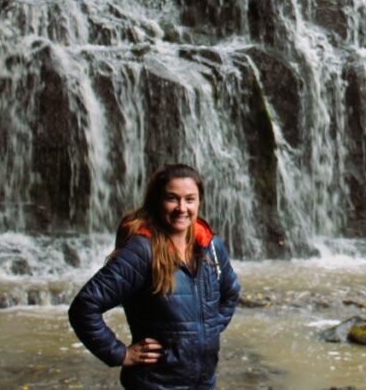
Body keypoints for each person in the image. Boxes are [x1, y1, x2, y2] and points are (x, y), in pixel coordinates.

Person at [69, 164, 241, 390]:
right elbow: (84, 306)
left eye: (190, 199)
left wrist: (208, 328)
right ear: (158, 201)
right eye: (172, 198)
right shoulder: (141, 251)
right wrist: (121, 354)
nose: (182, 208)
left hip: (203, 383)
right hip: (155, 384)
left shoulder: (210, 246)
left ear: (199, 202)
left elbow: (231, 292)